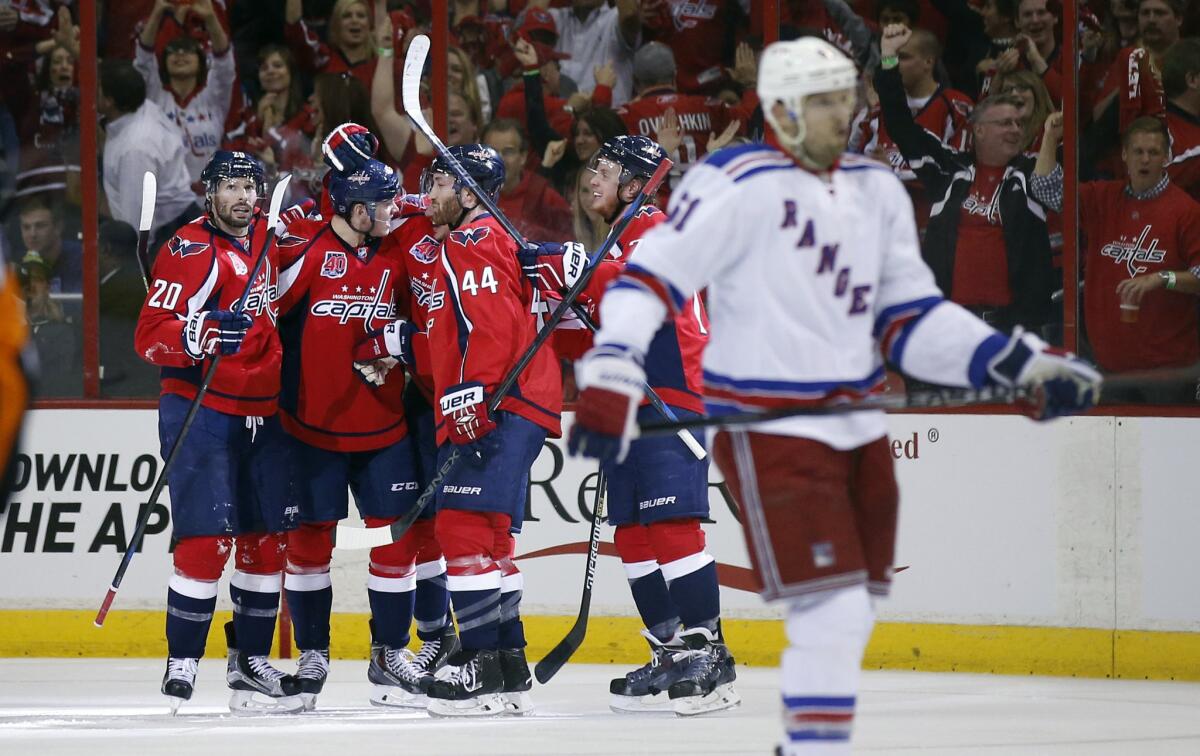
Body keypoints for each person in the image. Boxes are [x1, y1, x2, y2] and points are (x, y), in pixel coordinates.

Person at [565, 36, 1100, 754]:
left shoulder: (874, 193)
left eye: (841, 101)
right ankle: (716, 670)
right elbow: (650, 280)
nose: (838, 116)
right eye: (819, 102)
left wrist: (1015, 361)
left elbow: (913, 318)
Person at [535, 135, 739, 715]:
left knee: (672, 527)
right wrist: (550, 310)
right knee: (632, 533)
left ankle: (710, 653)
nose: (591, 177)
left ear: (635, 183)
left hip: (670, 396)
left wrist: (568, 267)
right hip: (626, 402)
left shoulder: (656, 227)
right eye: (591, 167)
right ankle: (672, 650)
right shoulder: (615, 243)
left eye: (606, 168)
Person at [274, 157, 454, 710]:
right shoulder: (305, 254)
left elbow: (418, 320)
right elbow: (265, 318)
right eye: (380, 203)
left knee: (395, 541)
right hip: (310, 430)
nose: (391, 209)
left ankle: (389, 654)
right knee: (309, 547)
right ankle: (313, 654)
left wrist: (390, 346)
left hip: (384, 427)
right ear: (354, 209)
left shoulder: (396, 252)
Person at [133, 150, 302, 715]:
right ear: (209, 194)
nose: (245, 197)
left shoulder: (268, 237)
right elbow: (150, 335)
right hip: (200, 409)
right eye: (231, 186)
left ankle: (249, 665)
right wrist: (200, 333)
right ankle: (183, 659)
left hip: (263, 409)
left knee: (264, 541)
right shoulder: (189, 250)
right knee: (207, 540)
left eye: (251, 186)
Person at [417, 145, 563, 716]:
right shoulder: (491, 238)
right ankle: (507, 661)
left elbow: (492, 325)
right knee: (494, 538)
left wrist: (469, 393)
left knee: (463, 529)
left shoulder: (470, 241)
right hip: (521, 398)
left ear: (469, 193)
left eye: (440, 185)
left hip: (501, 399)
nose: (430, 195)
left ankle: (477, 660)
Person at [875, 24, 1055, 334]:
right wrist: (889, 58)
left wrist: (1051, 136)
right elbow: (899, 122)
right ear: (979, 129)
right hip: (952, 327)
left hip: (1015, 330)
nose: (1016, 129)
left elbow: (1054, 195)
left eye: (1018, 123)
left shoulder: (1029, 171)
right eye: (1005, 123)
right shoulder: (947, 168)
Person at [1033, 115, 1200, 392]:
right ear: (1124, 155)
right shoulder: (1103, 199)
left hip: (1168, 375)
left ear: (1167, 157)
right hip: (1111, 371)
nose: (1145, 159)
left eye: (1153, 152)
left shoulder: (1187, 212)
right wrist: (1050, 136)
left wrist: (1163, 278)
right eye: (1138, 151)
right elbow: (1046, 189)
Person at [98, 59, 199, 249]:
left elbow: (137, 223)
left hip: (169, 234)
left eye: (97, 89)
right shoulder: (142, 106)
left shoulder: (135, 149)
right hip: (176, 223)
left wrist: (137, 268)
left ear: (109, 100)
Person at [134, 0, 235, 183]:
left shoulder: (213, 97)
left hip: (209, 202)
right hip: (165, 203)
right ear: (164, 61)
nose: (180, 54)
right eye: (173, 50)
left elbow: (225, 62)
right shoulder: (154, 96)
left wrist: (211, 19)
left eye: (188, 50)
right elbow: (143, 60)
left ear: (201, 60)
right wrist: (157, 13)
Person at [484, 118, 573, 243]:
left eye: (508, 151)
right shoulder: (470, 196)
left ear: (523, 157)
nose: (499, 159)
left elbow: (571, 241)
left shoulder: (544, 196)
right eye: (491, 151)